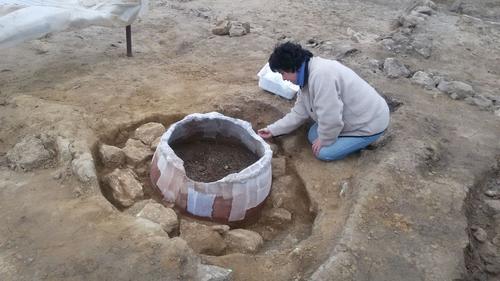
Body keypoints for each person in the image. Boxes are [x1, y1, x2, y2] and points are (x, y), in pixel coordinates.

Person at [258, 42, 390, 161]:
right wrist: (273, 130)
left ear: (292, 67)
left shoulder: (321, 76)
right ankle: (340, 139)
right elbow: (299, 113)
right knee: (313, 135)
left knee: (324, 152)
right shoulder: (306, 75)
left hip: (369, 124)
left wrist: (325, 139)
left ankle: (361, 143)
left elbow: (331, 117)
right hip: (352, 117)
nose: (284, 78)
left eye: (283, 73)